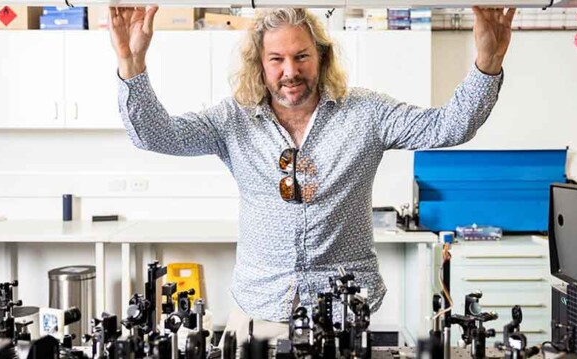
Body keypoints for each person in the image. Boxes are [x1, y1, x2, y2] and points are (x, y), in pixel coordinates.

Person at [110, 6, 515, 347]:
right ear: (260, 64)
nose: (290, 71)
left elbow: (449, 127)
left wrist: (487, 62)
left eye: (301, 56)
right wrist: (132, 66)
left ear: (321, 57)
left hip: (343, 316)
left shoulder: (367, 114)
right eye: (277, 59)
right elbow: (155, 134)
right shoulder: (231, 120)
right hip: (257, 311)